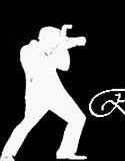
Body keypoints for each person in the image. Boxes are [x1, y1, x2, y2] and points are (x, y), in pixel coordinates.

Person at [3, 24, 87, 161]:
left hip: (54, 91)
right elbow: (54, 64)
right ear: (45, 39)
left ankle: (65, 152)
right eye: (55, 39)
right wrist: (62, 43)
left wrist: (69, 42)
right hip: (38, 92)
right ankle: (7, 154)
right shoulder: (28, 50)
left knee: (77, 119)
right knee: (27, 123)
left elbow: (64, 64)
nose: (56, 42)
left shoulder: (52, 48)